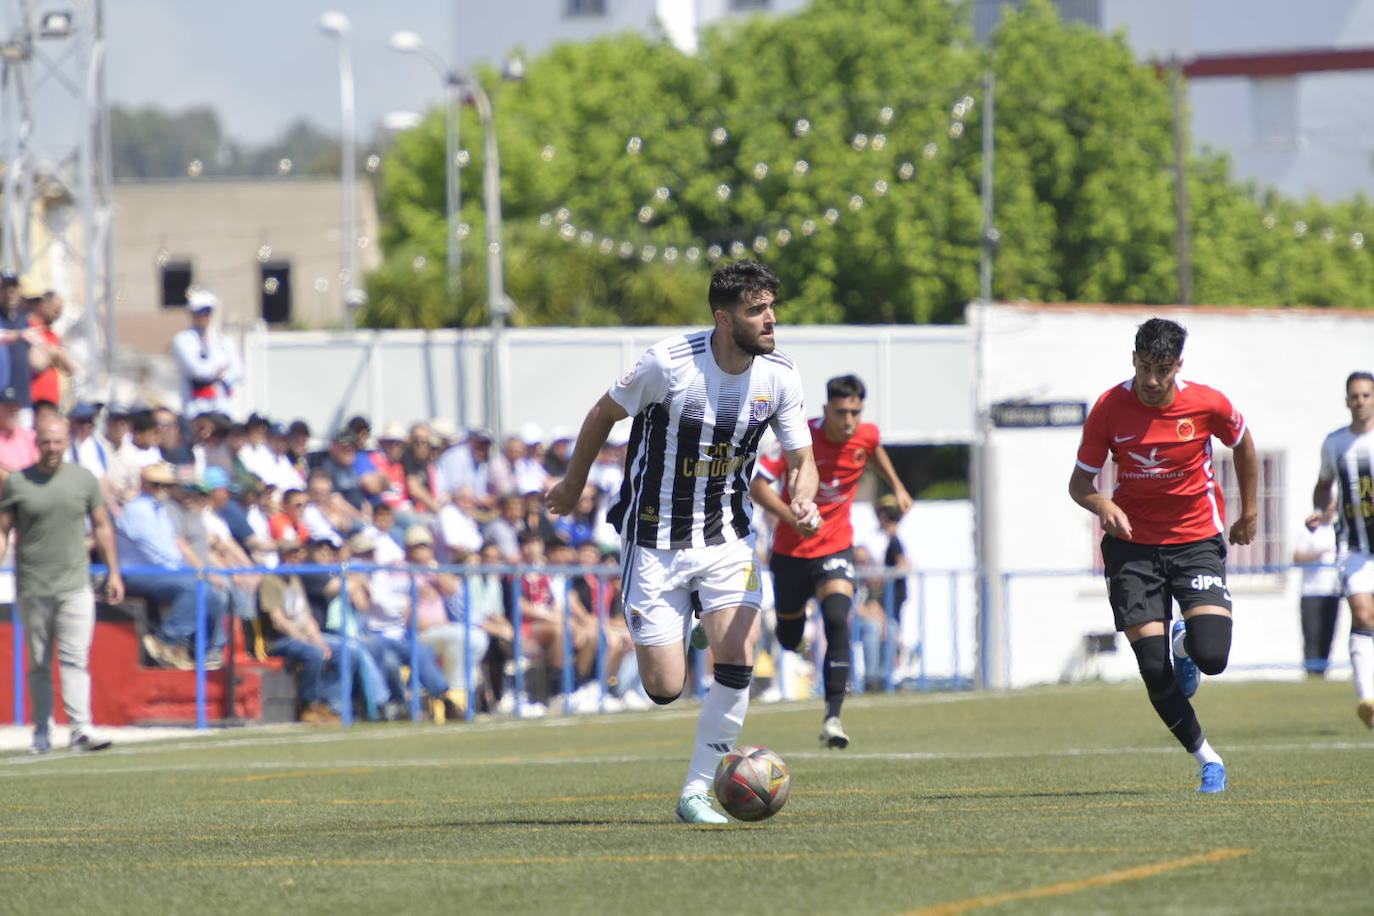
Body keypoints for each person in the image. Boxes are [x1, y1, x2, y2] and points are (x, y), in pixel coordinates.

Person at [546, 259, 818, 825]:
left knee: (737, 660)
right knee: (665, 687)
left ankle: (697, 790)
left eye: (771, 308)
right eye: (756, 310)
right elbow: (602, 414)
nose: (770, 320)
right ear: (724, 318)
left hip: (727, 538)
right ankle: (693, 623)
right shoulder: (667, 365)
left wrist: (804, 497)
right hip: (654, 538)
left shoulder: (780, 376)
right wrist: (573, 485)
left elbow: (801, 459)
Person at [1069, 318, 1256, 794]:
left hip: (1195, 540)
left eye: (1164, 369)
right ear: (1134, 359)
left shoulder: (1208, 403)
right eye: (1146, 367)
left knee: (1212, 656)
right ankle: (1208, 759)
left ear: (1179, 366)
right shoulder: (1110, 408)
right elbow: (1079, 484)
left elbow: (1244, 444)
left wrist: (1249, 512)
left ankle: (1185, 644)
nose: (1153, 381)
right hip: (1133, 549)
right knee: (1153, 669)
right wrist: (1103, 504)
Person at [749, 373, 912, 749]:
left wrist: (898, 487)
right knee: (789, 637)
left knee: (840, 617)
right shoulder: (797, 438)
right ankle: (794, 632)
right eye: (841, 412)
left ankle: (833, 717)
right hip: (790, 553)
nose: (849, 421)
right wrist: (793, 519)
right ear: (826, 410)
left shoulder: (866, 436)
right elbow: (757, 486)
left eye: (855, 412)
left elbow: (874, 450)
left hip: (836, 547)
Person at [0, 414, 124, 753]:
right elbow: (3, 530)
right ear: (36, 444)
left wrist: (113, 571)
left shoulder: (84, 480)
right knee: (39, 662)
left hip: (75, 584)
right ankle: (42, 731)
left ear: (66, 442)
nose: (52, 448)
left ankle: (80, 729)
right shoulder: (17, 483)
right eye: (46, 442)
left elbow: (101, 526)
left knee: (75, 658)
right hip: (35, 586)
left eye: (57, 441)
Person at [1309, 370, 1374, 725]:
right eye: (1354, 396)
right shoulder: (1335, 443)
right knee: (1363, 614)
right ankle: (1367, 698)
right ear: (1347, 400)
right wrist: (1322, 509)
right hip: (1354, 547)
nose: (1360, 401)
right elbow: (1322, 485)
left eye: (1366, 395)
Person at [171, 291, 242, 418]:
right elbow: (197, 371)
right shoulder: (183, 340)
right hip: (195, 408)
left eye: (207, 313)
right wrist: (219, 368)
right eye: (198, 313)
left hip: (223, 407)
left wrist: (222, 376)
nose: (203, 317)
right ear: (191, 314)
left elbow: (239, 371)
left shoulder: (223, 340)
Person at [1294, 509, 1341, 679]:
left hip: (1332, 591)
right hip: (1311, 592)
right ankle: (1311, 675)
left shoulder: (1337, 529)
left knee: (1328, 636)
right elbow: (1297, 557)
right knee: (1312, 636)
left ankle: (1322, 674)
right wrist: (1318, 553)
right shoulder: (1309, 529)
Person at [27, 291, 73, 407]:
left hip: (52, 400)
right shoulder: (28, 328)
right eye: (56, 310)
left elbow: (69, 368)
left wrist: (54, 353)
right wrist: (52, 353)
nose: (58, 315)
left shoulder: (52, 335)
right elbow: (37, 365)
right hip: (34, 399)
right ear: (43, 306)